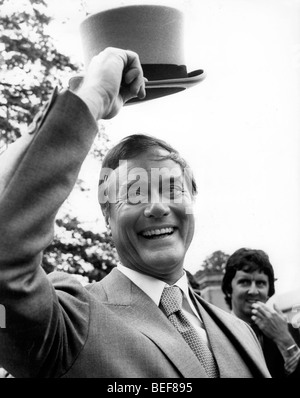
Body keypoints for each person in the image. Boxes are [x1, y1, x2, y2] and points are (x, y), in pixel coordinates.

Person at [0, 47, 271, 378]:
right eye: (135, 193)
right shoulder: (69, 323)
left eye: (173, 189)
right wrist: (92, 97)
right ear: (108, 216)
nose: (157, 206)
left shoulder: (240, 333)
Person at [222, 247, 300, 378]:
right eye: (244, 282)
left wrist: (284, 339)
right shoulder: (217, 331)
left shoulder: (289, 331)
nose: (253, 291)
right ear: (229, 289)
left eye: (260, 283)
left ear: (269, 290)